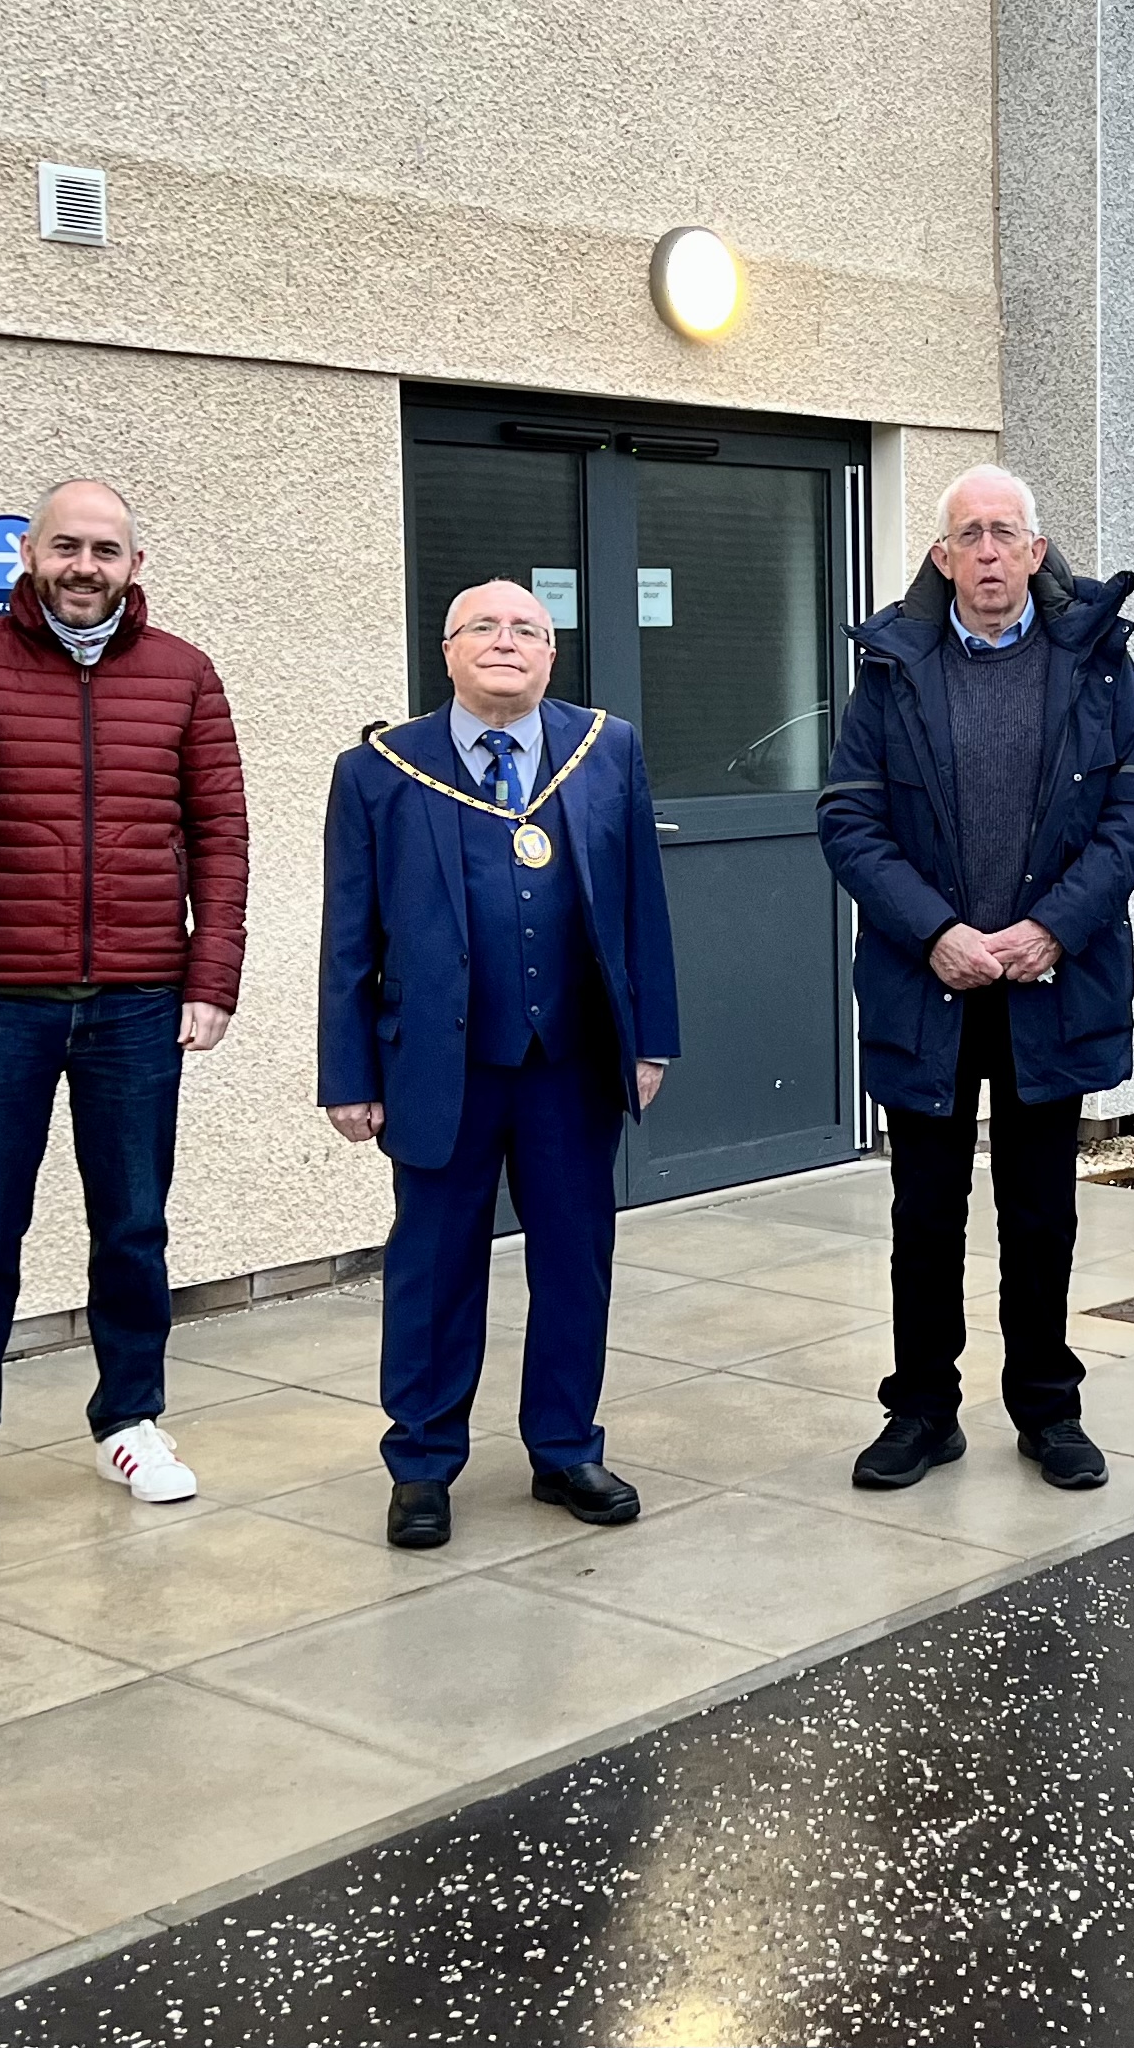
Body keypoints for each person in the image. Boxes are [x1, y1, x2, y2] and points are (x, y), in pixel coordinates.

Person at [0, 479, 249, 1534]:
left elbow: (221, 833)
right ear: (30, 556)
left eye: (106, 549)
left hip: (140, 998)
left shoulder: (183, 673)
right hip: (0, 1001)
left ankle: (129, 1419)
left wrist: (209, 972)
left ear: (136, 564)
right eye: (66, 546)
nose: (85, 565)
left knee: (132, 1224)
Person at [819, 465, 1134, 1494]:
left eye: (1001, 532)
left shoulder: (1098, 662)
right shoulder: (889, 668)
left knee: (1041, 1210)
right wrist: (932, 930)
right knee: (923, 1212)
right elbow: (847, 816)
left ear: (1032, 549)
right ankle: (922, 1409)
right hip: (926, 983)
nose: (983, 552)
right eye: (965, 534)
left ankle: (1046, 1407)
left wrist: (1052, 928)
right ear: (940, 557)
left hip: (1047, 982)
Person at [318, 578, 679, 1550]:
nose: (506, 641)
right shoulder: (380, 770)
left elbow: (642, 903)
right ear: (447, 649)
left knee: (575, 1261)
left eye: (527, 628)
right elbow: (347, 936)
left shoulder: (607, 750)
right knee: (431, 1268)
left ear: (550, 654)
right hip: (439, 1066)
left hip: (569, 1063)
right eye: (484, 626)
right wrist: (346, 1073)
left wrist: (651, 1037)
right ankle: (423, 1461)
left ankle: (564, 1447)